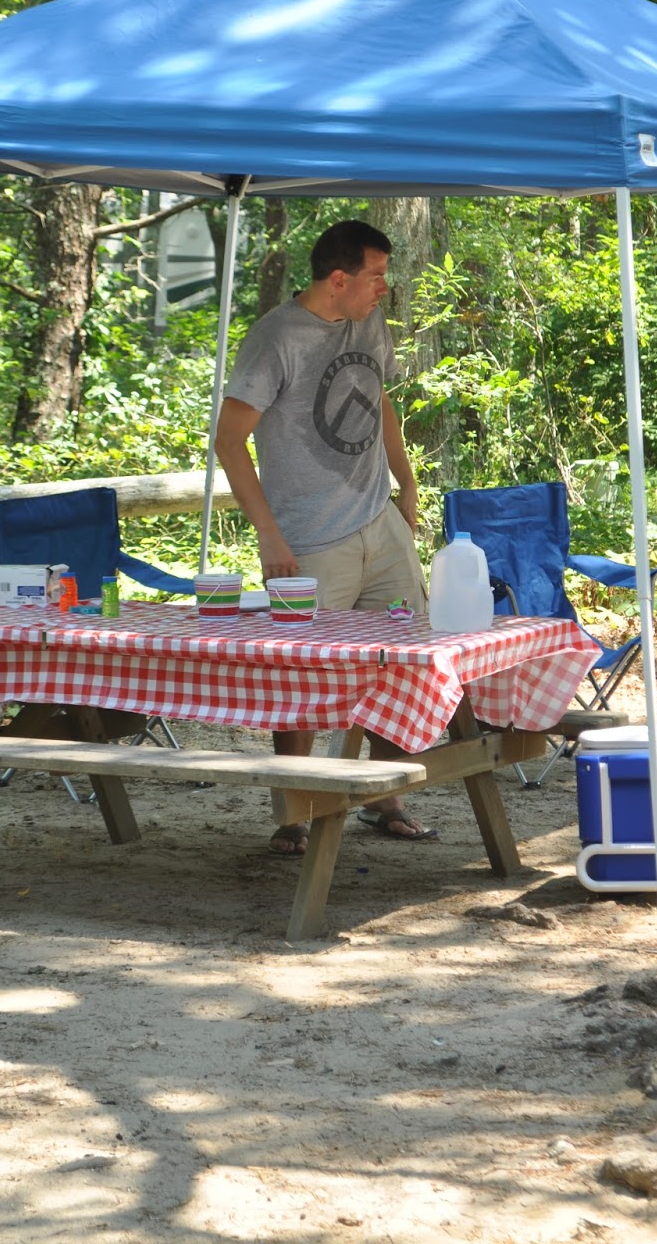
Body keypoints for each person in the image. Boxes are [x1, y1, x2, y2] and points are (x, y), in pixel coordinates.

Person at [215, 219, 434, 855]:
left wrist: (407, 481)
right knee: (301, 676)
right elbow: (230, 441)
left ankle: (384, 798)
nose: (383, 290)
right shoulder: (276, 338)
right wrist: (269, 537)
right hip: (307, 538)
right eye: (376, 276)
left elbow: (379, 396)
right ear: (339, 279)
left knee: (402, 659)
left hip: (379, 523)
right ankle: (295, 812)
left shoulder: (368, 322)